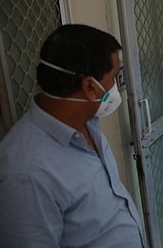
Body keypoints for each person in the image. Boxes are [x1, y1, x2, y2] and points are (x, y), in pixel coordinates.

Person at [0, 24, 144, 247]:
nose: (116, 86)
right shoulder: (25, 173)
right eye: (114, 77)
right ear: (89, 86)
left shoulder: (88, 123)